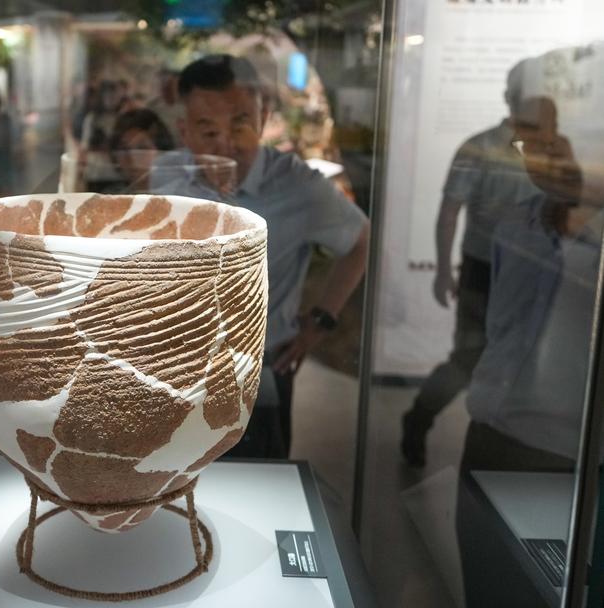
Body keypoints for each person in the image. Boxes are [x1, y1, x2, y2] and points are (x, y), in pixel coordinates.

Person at [164, 54, 370, 458]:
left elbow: (362, 239)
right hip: (175, 364)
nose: (226, 144)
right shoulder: (165, 177)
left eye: (239, 123)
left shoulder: (297, 185)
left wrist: (323, 318)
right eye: (208, 130)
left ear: (263, 118)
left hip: (259, 370)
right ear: (185, 131)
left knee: (260, 474)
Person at [456, 93, 594, 607]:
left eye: (552, 142)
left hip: (570, 456)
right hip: (491, 434)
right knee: (485, 588)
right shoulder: (518, 223)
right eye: (527, 141)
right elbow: (502, 330)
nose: (538, 156)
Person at [400, 60, 540, 467]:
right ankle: (421, 417)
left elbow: (450, 212)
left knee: (503, 358)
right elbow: (450, 211)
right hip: (486, 271)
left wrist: (446, 269)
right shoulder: (483, 147)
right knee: (470, 357)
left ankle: (498, 443)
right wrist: (444, 270)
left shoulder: (539, 150)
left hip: (528, 273)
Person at [108, 108, 174, 192]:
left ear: (160, 151)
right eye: (124, 149)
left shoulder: (179, 193)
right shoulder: (110, 196)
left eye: (142, 148)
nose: (132, 157)